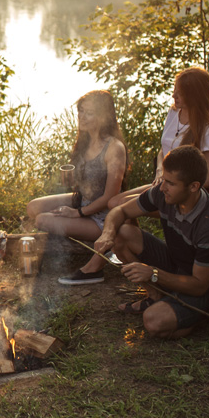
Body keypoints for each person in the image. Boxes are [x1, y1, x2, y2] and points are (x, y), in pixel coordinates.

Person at [94, 146, 209, 338]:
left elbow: (199, 285)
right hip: (179, 265)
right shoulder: (162, 193)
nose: (162, 187)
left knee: (154, 322)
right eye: (163, 179)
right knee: (122, 233)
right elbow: (121, 211)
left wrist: (153, 274)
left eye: (170, 183)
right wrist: (108, 233)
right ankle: (157, 297)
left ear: (194, 186)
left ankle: (200, 317)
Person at [23, 90, 128, 286]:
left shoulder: (114, 148)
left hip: (103, 217)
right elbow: (86, 185)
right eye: (80, 112)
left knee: (42, 219)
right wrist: (73, 182)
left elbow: (110, 197)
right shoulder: (85, 141)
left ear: (104, 116)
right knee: (33, 207)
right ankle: (66, 232)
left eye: (88, 113)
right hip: (83, 201)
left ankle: (95, 259)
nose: (81, 117)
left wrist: (77, 213)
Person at [109, 67, 209, 211]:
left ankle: (136, 227)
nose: (173, 95)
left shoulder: (208, 129)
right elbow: (164, 149)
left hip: (187, 198)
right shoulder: (173, 113)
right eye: (175, 89)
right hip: (165, 184)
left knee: (120, 206)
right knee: (114, 202)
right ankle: (133, 231)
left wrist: (178, 184)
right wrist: (160, 171)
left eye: (180, 93)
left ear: (195, 95)